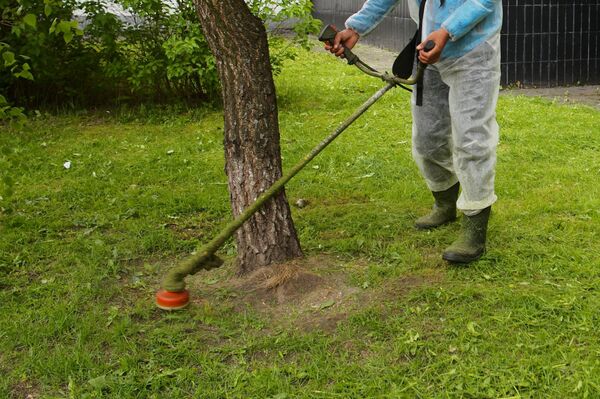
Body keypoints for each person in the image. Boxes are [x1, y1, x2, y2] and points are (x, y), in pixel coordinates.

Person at [325, 0, 502, 263]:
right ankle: (445, 202)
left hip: (474, 51)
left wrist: (447, 31)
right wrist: (356, 28)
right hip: (428, 51)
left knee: (472, 139)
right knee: (427, 137)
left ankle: (474, 226)